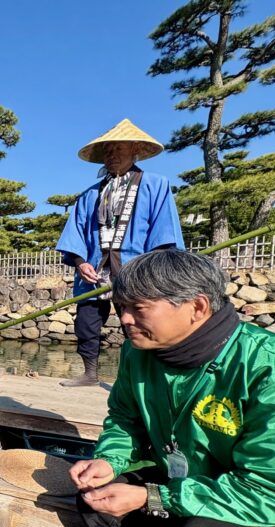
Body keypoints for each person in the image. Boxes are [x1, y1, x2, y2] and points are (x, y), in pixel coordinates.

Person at [69, 250, 275, 527]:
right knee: (93, 495)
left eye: (137, 308)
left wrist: (152, 497)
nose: (124, 320)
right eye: (120, 307)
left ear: (197, 307)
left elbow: (271, 491)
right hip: (196, 481)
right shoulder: (138, 350)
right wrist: (110, 461)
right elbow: (125, 420)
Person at [56, 119, 185, 386]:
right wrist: (80, 263)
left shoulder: (156, 185)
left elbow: (164, 231)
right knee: (87, 322)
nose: (112, 155)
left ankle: (143, 379)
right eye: (108, 151)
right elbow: (76, 232)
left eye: (118, 149)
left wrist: (151, 270)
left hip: (137, 267)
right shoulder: (90, 194)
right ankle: (90, 373)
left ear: (135, 149)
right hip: (96, 268)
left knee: (139, 322)